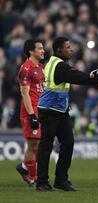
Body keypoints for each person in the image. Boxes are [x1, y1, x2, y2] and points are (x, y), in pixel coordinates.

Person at [36, 37, 98, 192]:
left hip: (59, 110)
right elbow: (76, 77)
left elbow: (74, 75)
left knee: (67, 142)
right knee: (46, 146)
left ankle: (61, 180)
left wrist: (92, 78)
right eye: (68, 47)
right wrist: (96, 79)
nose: (71, 49)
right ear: (59, 50)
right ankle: (42, 182)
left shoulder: (57, 64)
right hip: (49, 110)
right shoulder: (59, 65)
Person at [16, 39, 45, 187]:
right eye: (39, 48)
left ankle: (24, 167)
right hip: (30, 111)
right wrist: (32, 115)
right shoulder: (25, 69)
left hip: (41, 110)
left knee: (41, 145)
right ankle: (34, 178)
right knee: (33, 145)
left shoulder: (40, 67)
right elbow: (25, 94)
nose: (43, 51)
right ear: (31, 51)